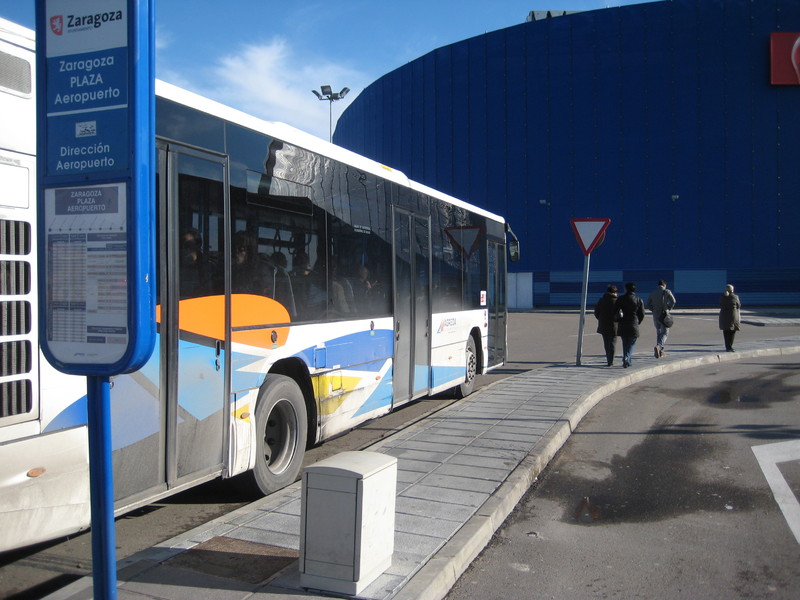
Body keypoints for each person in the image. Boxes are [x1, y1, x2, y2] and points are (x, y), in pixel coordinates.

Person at [614, 282, 645, 368]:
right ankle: (627, 357)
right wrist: (638, 321)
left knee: (625, 342)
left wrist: (618, 319)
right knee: (632, 343)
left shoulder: (621, 299)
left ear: (626, 289)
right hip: (633, 323)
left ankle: (627, 360)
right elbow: (642, 313)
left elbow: (615, 310)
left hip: (623, 323)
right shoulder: (638, 299)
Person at [646, 280, 676, 358]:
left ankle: (660, 352)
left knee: (659, 332)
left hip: (655, 315)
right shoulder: (667, 291)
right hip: (664, 315)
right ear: (664, 285)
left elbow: (647, 304)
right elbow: (673, 301)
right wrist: (668, 308)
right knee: (665, 332)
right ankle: (659, 347)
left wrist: (653, 309)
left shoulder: (653, 292)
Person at [593, 284, 619, 366]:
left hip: (603, 325)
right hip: (614, 325)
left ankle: (608, 358)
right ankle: (610, 361)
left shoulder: (601, 300)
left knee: (606, 343)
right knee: (612, 343)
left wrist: (601, 319)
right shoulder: (617, 301)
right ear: (615, 292)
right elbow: (620, 314)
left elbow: (596, 312)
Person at [719, 284, 741, 352]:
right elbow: (739, 305)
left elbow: (721, 304)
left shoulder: (722, 297)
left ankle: (727, 346)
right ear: (732, 290)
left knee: (726, 331)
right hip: (732, 316)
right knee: (732, 331)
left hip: (724, 316)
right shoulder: (735, 297)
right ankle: (730, 347)